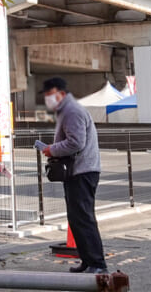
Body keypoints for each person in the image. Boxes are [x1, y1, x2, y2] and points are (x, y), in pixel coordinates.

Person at [40, 77, 107, 274]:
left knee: (83, 218)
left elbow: (76, 142)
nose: (48, 99)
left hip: (82, 171)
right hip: (80, 171)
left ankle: (97, 264)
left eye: (49, 94)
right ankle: (88, 261)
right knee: (78, 218)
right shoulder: (67, 111)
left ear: (60, 93)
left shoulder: (72, 111)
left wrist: (52, 149)